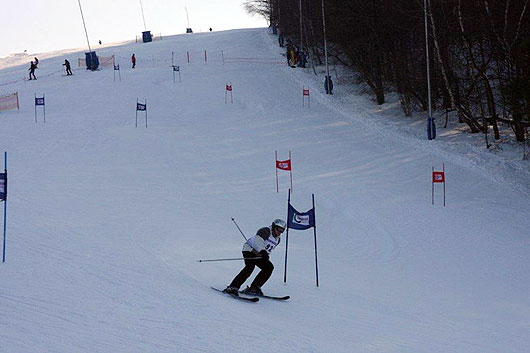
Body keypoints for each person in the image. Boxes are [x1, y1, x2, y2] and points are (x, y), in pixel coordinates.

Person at [224, 219, 287, 296]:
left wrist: (265, 255)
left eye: (282, 231)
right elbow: (258, 242)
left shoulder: (278, 239)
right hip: (250, 250)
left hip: (259, 255)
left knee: (269, 267)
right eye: (279, 229)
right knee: (250, 267)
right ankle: (232, 287)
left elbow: (269, 248)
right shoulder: (265, 231)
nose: (280, 232)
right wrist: (263, 251)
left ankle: (254, 287)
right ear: (274, 227)